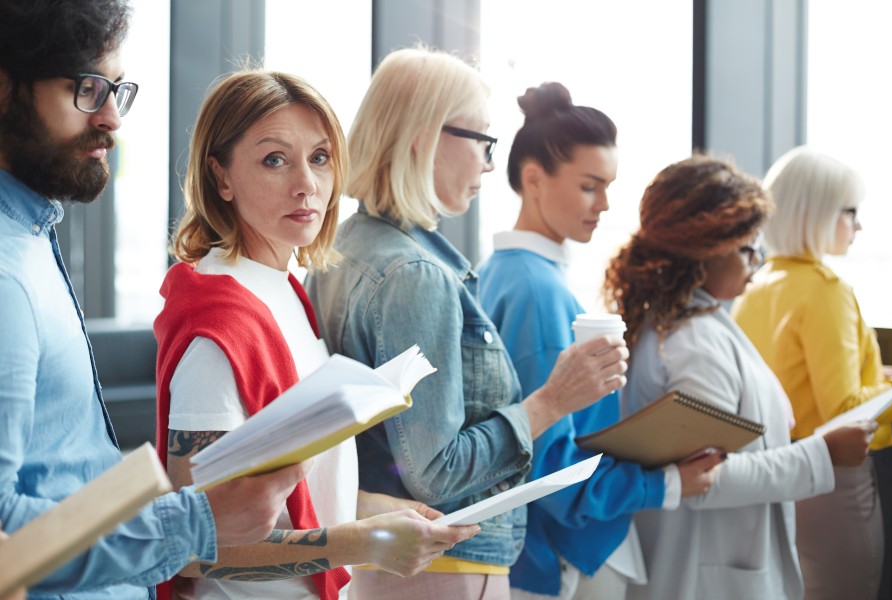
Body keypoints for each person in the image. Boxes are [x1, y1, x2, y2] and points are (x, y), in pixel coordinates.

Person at [0, 1, 308, 598]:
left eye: (117, 89)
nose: (113, 117)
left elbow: (61, 470)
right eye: (87, 89)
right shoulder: (7, 271)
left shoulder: (33, 233)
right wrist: (198, 521)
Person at [306, 48, 628, 600]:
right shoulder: (416, 274)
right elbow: (435, 470)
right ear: (424, 137)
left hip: (388, 562)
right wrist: (553, 400)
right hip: (442, 570)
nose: (487, 161)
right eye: (481, 139)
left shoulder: (346, 245)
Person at [156, 68, 480, 600]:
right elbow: (197, 549)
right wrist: (364, 542)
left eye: (321, 157)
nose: (307, 183)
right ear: (221, 177)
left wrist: (371, 506)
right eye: (275, 159)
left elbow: (284, 490)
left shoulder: (283, 288)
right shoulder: (218, 323)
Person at [477, 82, 723, 600]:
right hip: (568, 555)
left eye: (608, 186)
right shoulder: (535, 291)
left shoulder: (501, 273)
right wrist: (670, 483)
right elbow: (546, 463)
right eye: (590, 186)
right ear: (533, 179)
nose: (606, 204)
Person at [602, 155, 876, 600]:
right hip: (707, 574)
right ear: (707, 250)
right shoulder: (693, 342)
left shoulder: (690, 322)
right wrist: (823, 454)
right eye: (748, 248)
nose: (757, 260)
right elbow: (707, 477)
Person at [731, 146, 892, 600]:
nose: (858, 225)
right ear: (818, 212)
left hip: (785, 471)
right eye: (850, 212)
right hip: (836, 475)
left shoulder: (760, 283)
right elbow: (844, 409)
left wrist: (882, 376)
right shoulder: (826, 291)